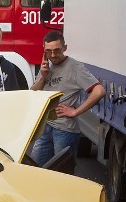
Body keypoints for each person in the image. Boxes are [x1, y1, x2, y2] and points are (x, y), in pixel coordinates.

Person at [29, 30, 106, 165]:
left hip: (64, 130)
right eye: (49, 51)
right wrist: (43, 76)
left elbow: (99, 91)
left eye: (57, 51)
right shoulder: (46, 66)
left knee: (63, 173)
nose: (53, 55)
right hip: (44, 127)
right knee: (35, 170)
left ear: (65, 48)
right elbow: (32, 93)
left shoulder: (75, 67)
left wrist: (75, 111)